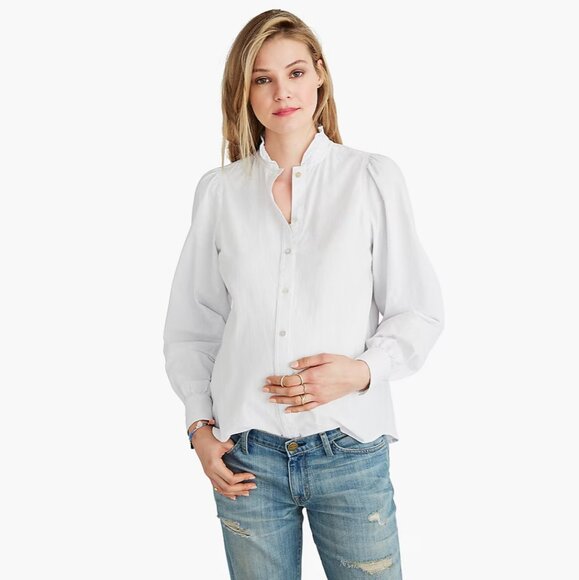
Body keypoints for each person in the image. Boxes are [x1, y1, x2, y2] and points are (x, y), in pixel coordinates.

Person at [162, 8, 444, 579]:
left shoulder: (370, 178)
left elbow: (417, 311)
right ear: (244, 92)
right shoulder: (219, 192)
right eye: (262, 79)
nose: (282, 92)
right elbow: (194, 326)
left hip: (349, 448)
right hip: (246, 457)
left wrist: (360, 371)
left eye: (294, 73)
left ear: (319, 74)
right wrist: (199, 431)